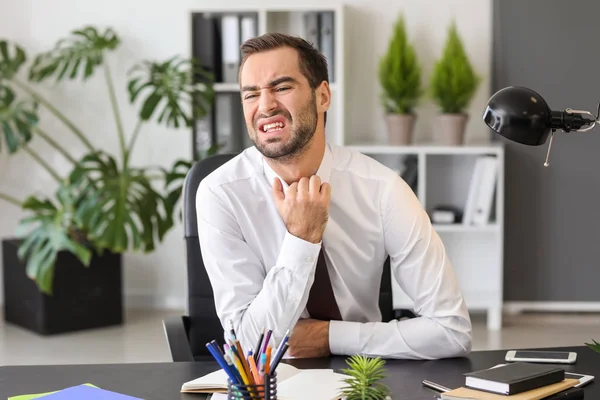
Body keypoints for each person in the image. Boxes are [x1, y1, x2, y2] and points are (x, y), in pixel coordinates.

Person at [196, 32, 472, 360]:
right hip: (268, 385)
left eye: (282, 87)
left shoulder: (382, 189)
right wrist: (302, 238)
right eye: (251, 94)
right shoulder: (221, 194)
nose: (265, 105)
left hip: (364, 374)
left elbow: (452, 330)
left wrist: (331, 337)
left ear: (323, 96)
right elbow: (249, 347)